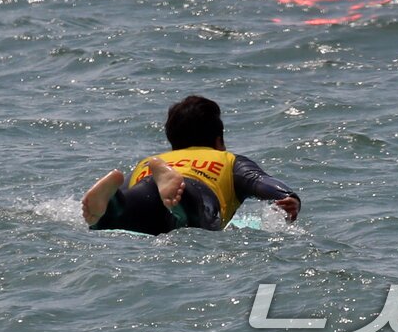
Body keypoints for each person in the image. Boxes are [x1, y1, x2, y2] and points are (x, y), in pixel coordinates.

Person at [81, 95, 300, 235]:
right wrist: (289, 197)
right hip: (192, 190)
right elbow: (260, 183)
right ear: (219, 141)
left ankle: (110, 205)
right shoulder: (229, 160)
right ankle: (177, 205)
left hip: (149, 185)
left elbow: (128, 186)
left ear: (172, 142)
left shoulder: (151, 163)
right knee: (189, 211)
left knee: (123, 214)